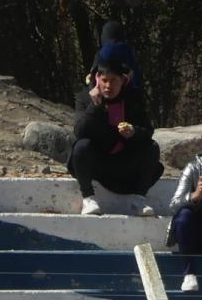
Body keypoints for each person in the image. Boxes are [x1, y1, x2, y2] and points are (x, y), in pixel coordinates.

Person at [70, 45, 163, 216]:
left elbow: (148, 130)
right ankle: (89, 199)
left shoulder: (133, 99)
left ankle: (139, 200)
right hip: (98, 162)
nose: (108, 86)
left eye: (113, 81)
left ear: (123, 80)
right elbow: (79, 131)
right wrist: (95, 107)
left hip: (124, 163)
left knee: (152, 148)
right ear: (98, 80)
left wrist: (134, 132)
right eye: (104, 80)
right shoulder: (84, 98)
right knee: (81, 146)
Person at [168, 142, 202, 292]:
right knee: (184, 216)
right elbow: (174, 205)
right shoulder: (194, 168)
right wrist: (196, 195)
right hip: (194, 231)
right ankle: (189, 274)